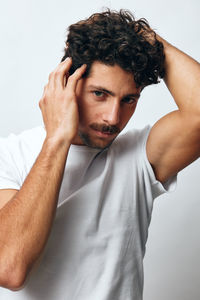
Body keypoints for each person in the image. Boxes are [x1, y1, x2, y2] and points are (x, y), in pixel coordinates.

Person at [0, 8, 199, 300]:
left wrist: (142, 36)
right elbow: (9, 268)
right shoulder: (10, 154)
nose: (113, 117)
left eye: (128, 99)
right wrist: (57, 139)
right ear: (66, 83)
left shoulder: (138, 158)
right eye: (100, 94)